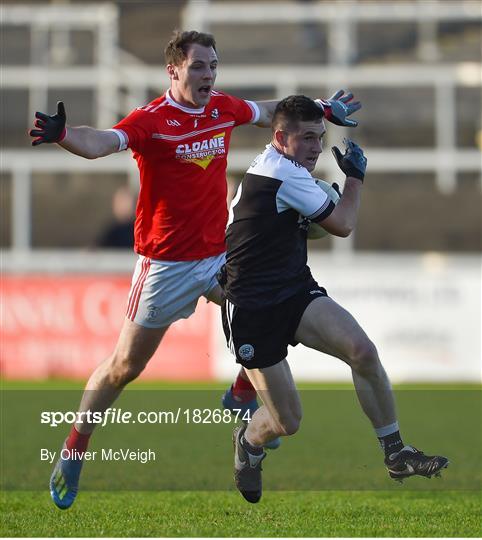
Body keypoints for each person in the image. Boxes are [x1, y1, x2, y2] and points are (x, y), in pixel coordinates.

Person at [29, 30, 361, 510]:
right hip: (165, 266)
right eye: (200, 66)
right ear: (174, 71)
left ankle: (243, 389)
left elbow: (271, 112)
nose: (209, 75)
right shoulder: (151, 120)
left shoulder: (221, 107)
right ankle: (75, 449)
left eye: (214, 66)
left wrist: (322, 109)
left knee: (274, 302)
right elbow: (101, 142)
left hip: (222, 255)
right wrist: (64, 135)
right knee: (125, 367)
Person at [219, 95, 449, 504]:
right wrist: (356, 178)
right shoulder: (282, 175)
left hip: (293, 290)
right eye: (308, 138)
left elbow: (291, 116)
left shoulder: (285, 160)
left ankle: (395, 452)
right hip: (251, 308)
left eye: (320, 137)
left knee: (361, 350)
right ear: (280, 138)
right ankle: (249, 441)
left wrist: (322, 108)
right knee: (286, 422)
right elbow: (342, 224)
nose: (316, 147)